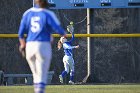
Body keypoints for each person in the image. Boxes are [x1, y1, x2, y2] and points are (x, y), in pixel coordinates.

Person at [18, 0, 66, 93]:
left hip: (30, 46)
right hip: (42, 45)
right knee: (42, 76)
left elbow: (20, 34)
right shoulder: (48, 13)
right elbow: (60, 31)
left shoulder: (27, 13)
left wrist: (23, 45)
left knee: (36, 76)